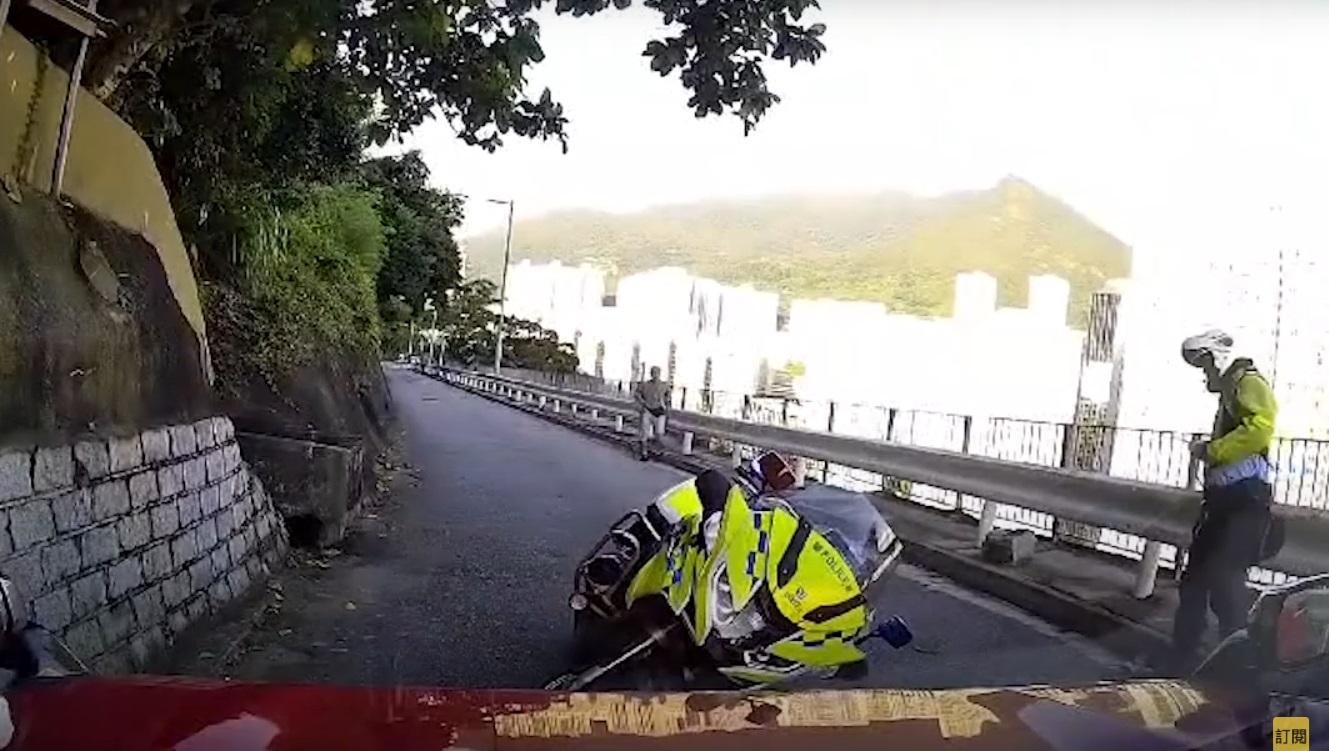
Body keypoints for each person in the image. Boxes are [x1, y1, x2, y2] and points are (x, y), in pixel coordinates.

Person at [1173, 329, 1280, 669]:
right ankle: (1181, 658)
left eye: (1205, 364)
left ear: (1216, 357)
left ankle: (1237, 668)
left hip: (1243, 502)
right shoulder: (1232, 392)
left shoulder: (1247, 383)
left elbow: (1261, 427)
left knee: (1224, 583)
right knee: (1196, 581)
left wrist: (1211, 450)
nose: (1204, 374)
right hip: (1223, 502)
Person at [633, 366, 669, 460]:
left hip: (660, 411)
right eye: (653, 373)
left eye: (657, 372)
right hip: (648, 410)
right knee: (644, 433)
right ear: (651, 374)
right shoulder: (645, 385)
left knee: (659, 433)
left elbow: (668, 397)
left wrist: (665, 404)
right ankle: (644, 453)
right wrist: (643, 402)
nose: (655, 375)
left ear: (659, 374)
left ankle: (657, 450)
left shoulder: (664, 385)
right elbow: (636, 394)